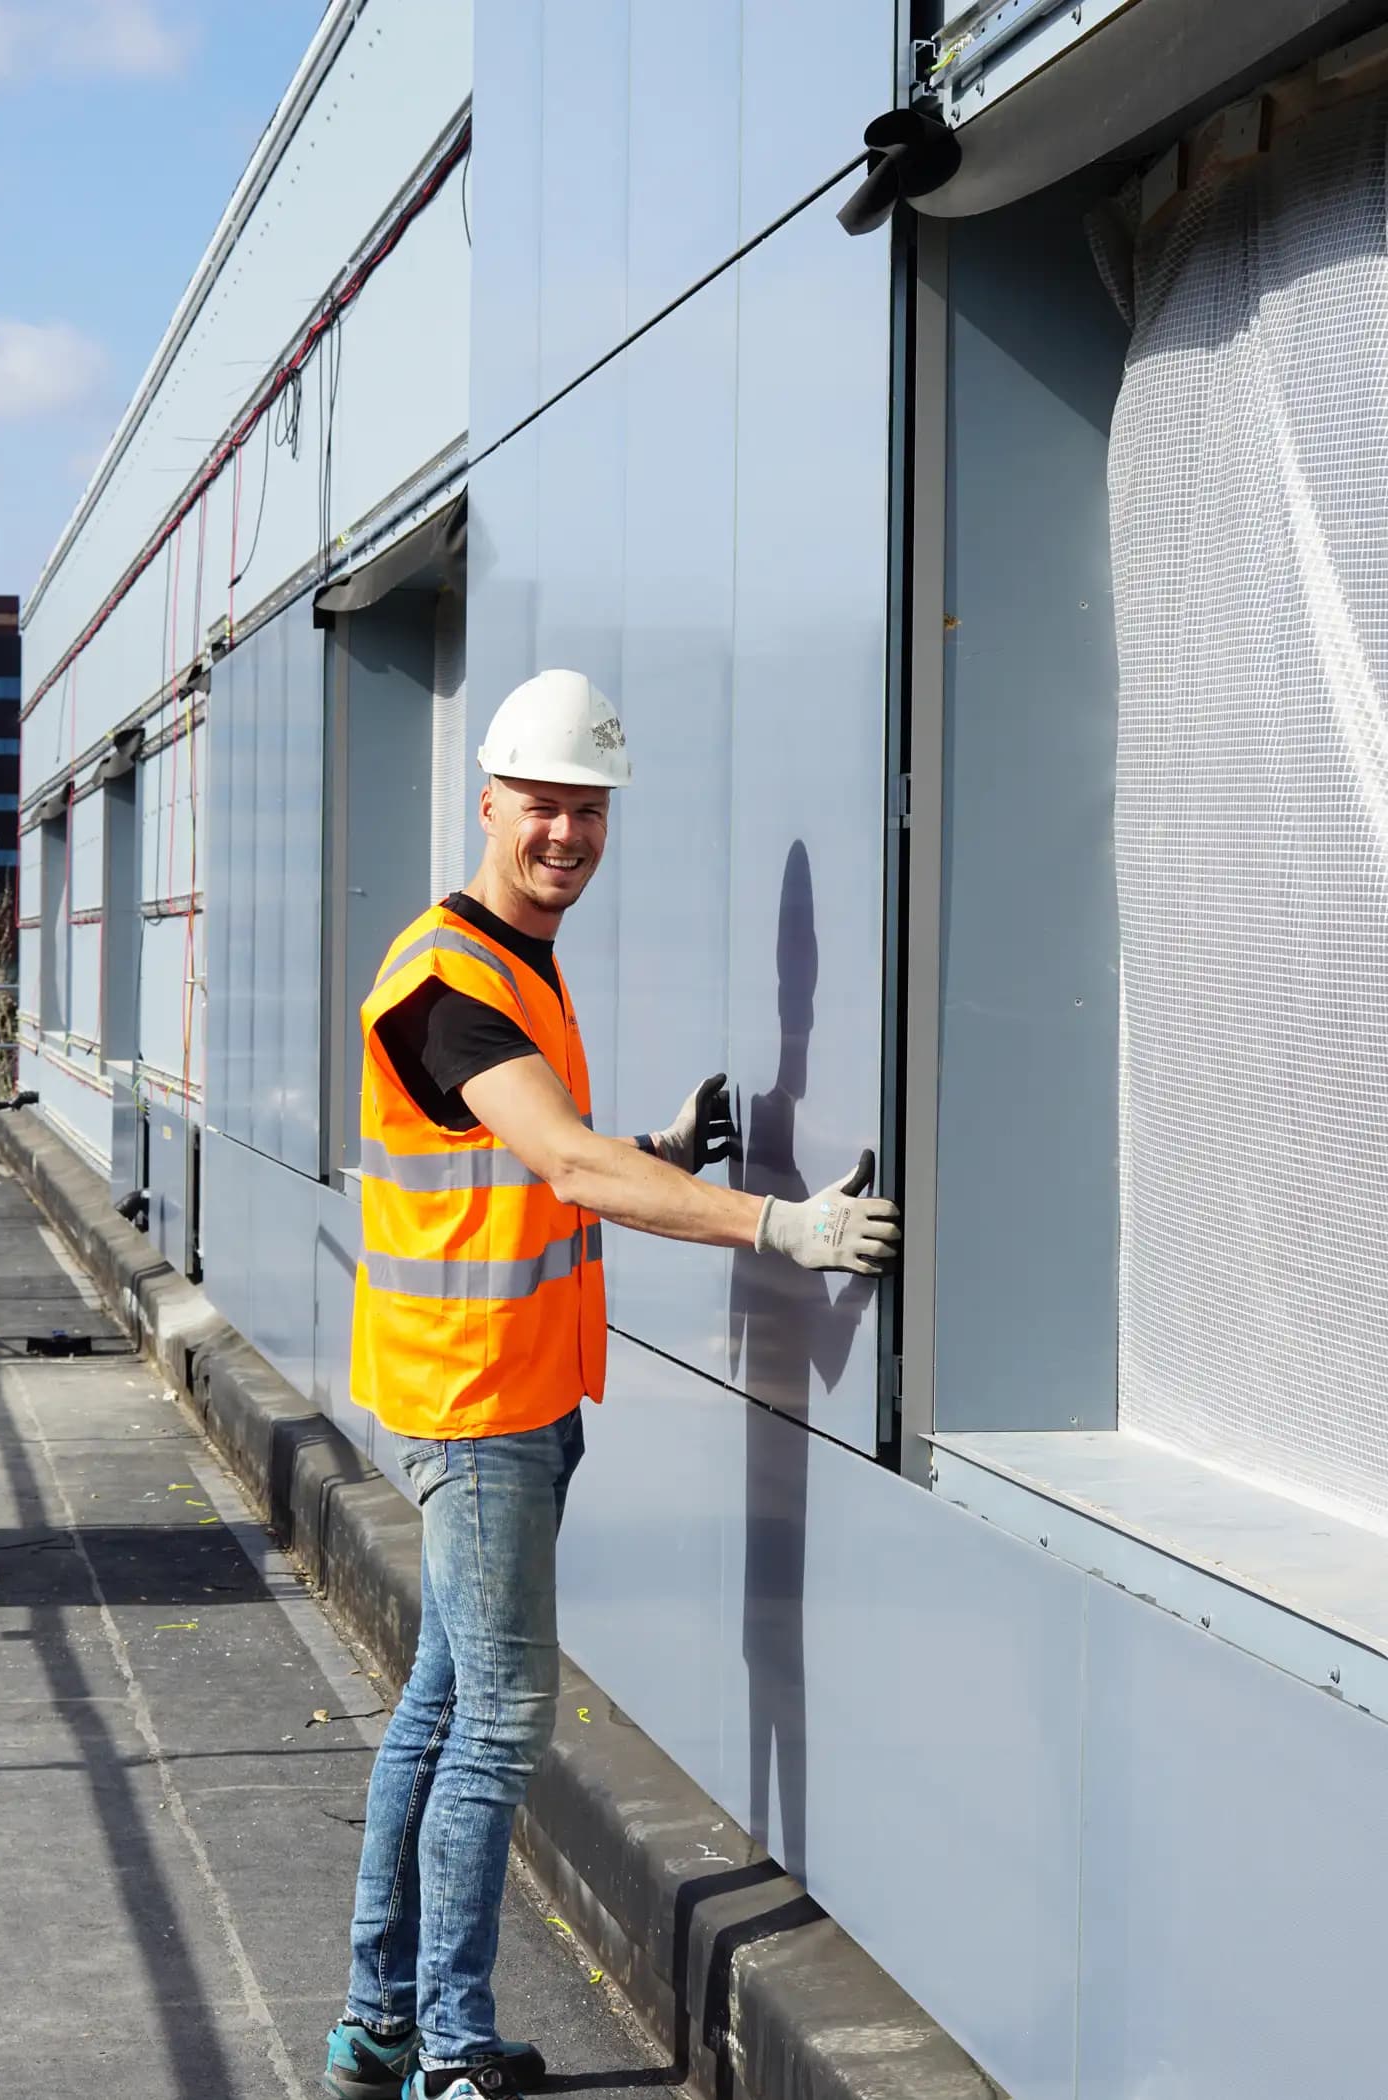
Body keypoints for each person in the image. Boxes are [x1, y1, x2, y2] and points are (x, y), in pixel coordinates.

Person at [323, 670, 901, 2100]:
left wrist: (663, 1151)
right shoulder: (447, 982)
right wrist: (782, 1226)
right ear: (488, 803)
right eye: (544, 805)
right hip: (480, 1409)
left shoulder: (514, 960)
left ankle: (378, 2026)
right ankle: (447, 2052)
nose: (567, 834)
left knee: (443, 1709)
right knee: (501, 1720)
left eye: (589, 809)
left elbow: (521, 1173)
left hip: (510, 1395)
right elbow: (567, 1167)